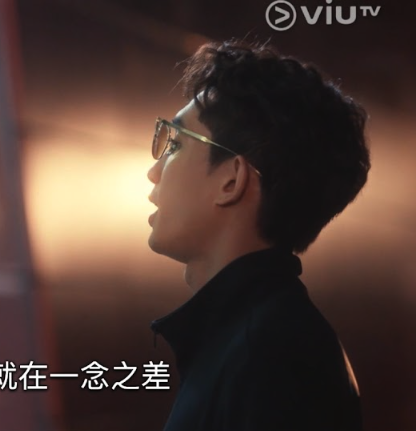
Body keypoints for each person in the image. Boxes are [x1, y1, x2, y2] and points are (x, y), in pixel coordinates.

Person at [146, 39, 368, 430]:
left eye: (176, 143)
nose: (154, 171)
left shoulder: (269, 355)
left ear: (231, 180)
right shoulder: (262, 338)